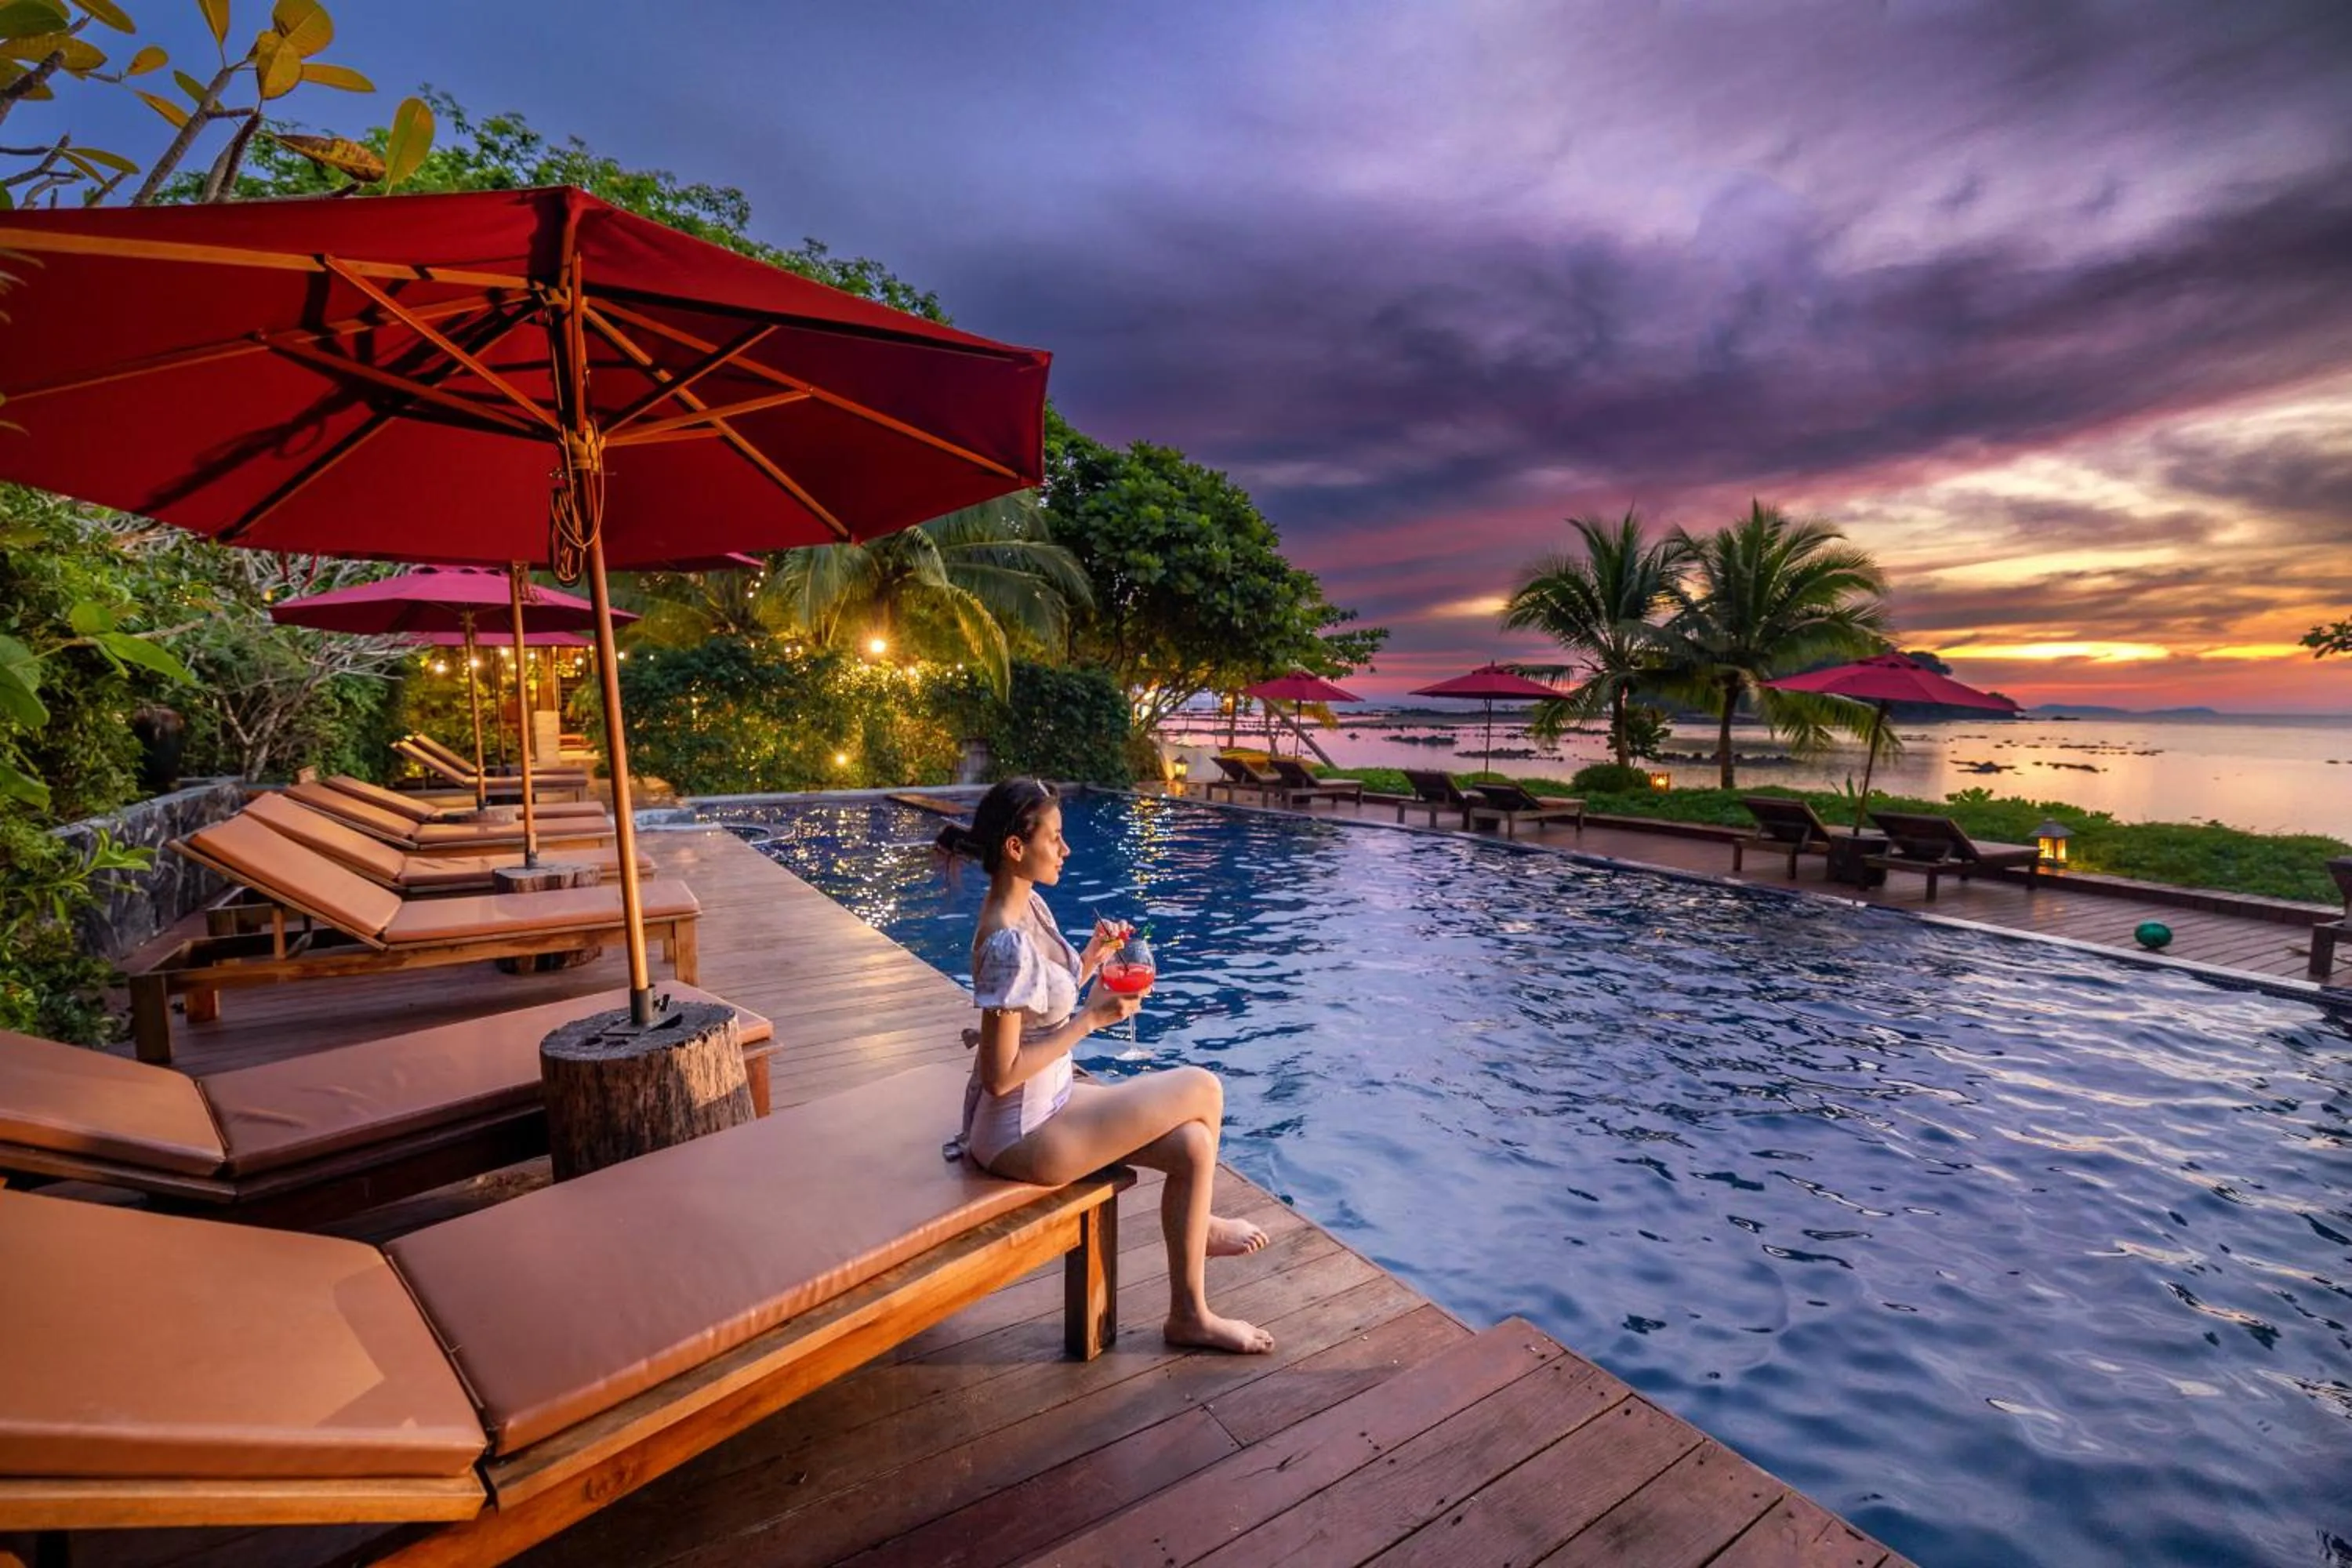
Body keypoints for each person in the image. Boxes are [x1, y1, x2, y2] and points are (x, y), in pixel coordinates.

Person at [941, 778, 1273, 1355]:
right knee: (1204, 1086)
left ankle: (1188, 1315)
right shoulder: (1004, 942)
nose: (1066, 850)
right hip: (1020, 1135)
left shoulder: (1030, 907)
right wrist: (1091, 1022)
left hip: (1054, 1101)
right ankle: (1204, 1232)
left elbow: (1045, 999)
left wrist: (1092, 959)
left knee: (1194, 1146)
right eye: (1056, 837)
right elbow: (999, 1075)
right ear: (1016, 848)